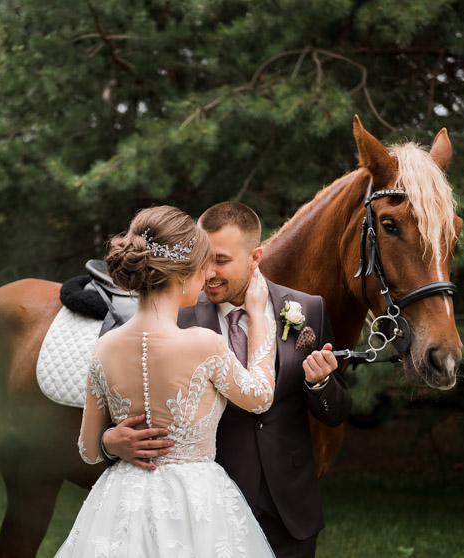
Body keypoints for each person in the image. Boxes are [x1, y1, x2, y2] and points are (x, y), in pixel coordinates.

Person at [103, 202, 351, 558]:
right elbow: (129, 404)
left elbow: (336, 411)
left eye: (220, 260)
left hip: (291, 510)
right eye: (202, 259)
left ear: (255, 257)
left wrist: (321, 384)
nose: (207, 273)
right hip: (207, 515)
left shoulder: (307, 309)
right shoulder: (175, 316)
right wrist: (109, 441)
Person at [56, 205, 277, 557]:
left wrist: (111, 442)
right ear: (184, 276)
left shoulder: (104, 347)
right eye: (203, 267)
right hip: (197, 502)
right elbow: (261, 397)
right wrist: (258, 316)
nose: (208, 276)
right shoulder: (205, 344)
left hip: (120, 502)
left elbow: (86, 449)